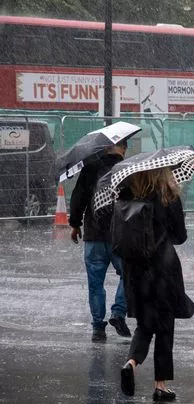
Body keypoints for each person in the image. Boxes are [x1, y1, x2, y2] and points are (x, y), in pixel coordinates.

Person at [119, 166, 194, 401]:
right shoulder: (167, 195)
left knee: (145, 323)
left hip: (135, 269)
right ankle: (160, 385)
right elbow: (180, 236)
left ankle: (131, 362)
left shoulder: (127, 193)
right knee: (164, 326)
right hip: (163, 267)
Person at [69, 141, 131, 342]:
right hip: (119, 235)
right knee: (129, 274)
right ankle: (118, 312)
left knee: (95, 283)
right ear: (122, 148)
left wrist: (75, 224)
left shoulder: (90, 169)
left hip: (94, 235)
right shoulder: (127, 169)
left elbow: (78, 197)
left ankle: (98, 327)